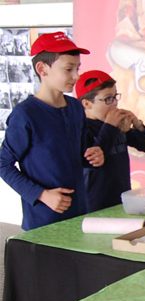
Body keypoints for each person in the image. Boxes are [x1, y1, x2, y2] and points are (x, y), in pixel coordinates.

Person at [0, 32, 104, 230]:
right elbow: (3, 164)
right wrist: (41, 194)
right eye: (68, 69)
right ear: (42, 69)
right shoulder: (25, 114)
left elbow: (80, 153)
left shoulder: (75, 107)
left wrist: (94, 155)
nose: (76, 76)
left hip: (79, 214)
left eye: (77, 68)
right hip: (43, 221)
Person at [75, 70, 145, 211]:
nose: (115, 104)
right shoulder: (81, 129)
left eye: (115, 97)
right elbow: (93, 159)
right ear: (86, 104)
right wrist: (110, 127)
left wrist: (136, 124)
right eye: (108, 99)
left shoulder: (115, 124)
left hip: (122, 197)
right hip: (95, 203)